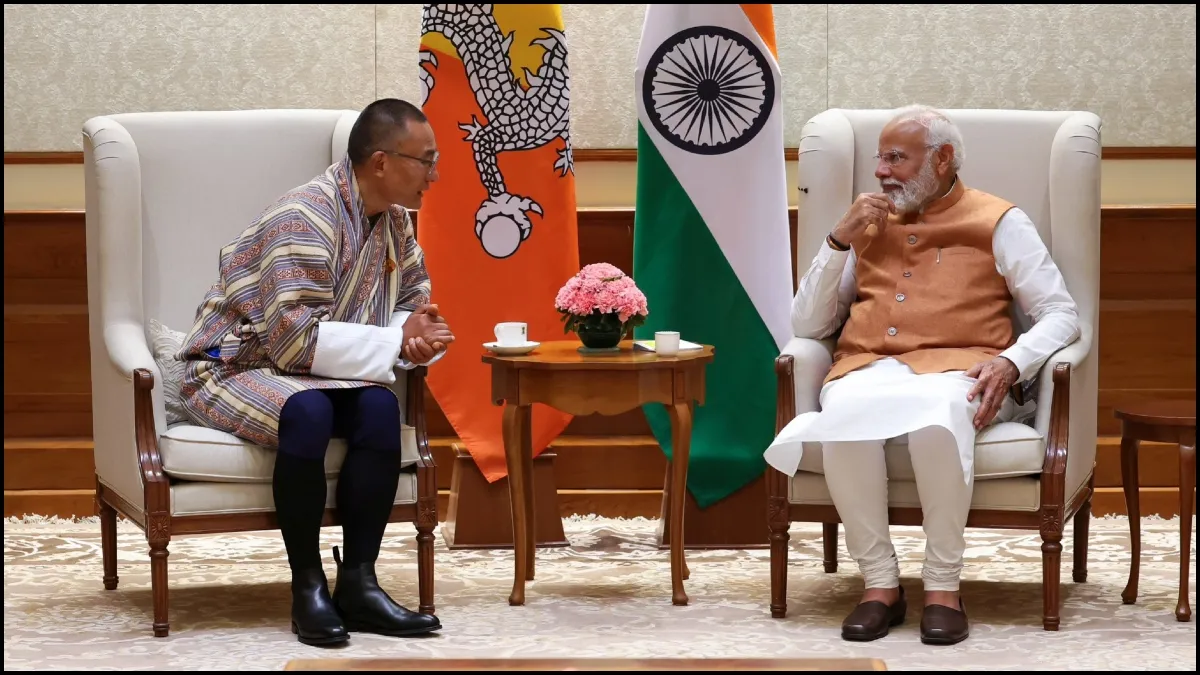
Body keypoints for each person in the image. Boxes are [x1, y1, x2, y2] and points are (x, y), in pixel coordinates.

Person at [764, 105, 1080, 646]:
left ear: (943, 159)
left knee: (939, 418)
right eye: (879, 159)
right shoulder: (864, 224)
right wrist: (838, 241)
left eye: (896, 158)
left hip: (961, 372)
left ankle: (942, 588)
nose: (882, 171)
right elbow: (809, 324)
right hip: (868, 368)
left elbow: (1061, 313)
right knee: (845, 416)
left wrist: (1011, 362)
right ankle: (881, 585)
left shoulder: (1000, 220)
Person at [178, 98, 451, 646]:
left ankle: (359, 584)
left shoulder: (395, 223)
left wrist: (414, 337)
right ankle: (307, 586)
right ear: (380, 162)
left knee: (378, 407)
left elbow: (415, 298)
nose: (434, 174)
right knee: (307, 411)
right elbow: (294, 341)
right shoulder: (304, 217)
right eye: (426, 160)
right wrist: (394, 339)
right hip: (231, 364)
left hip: (313, 369)